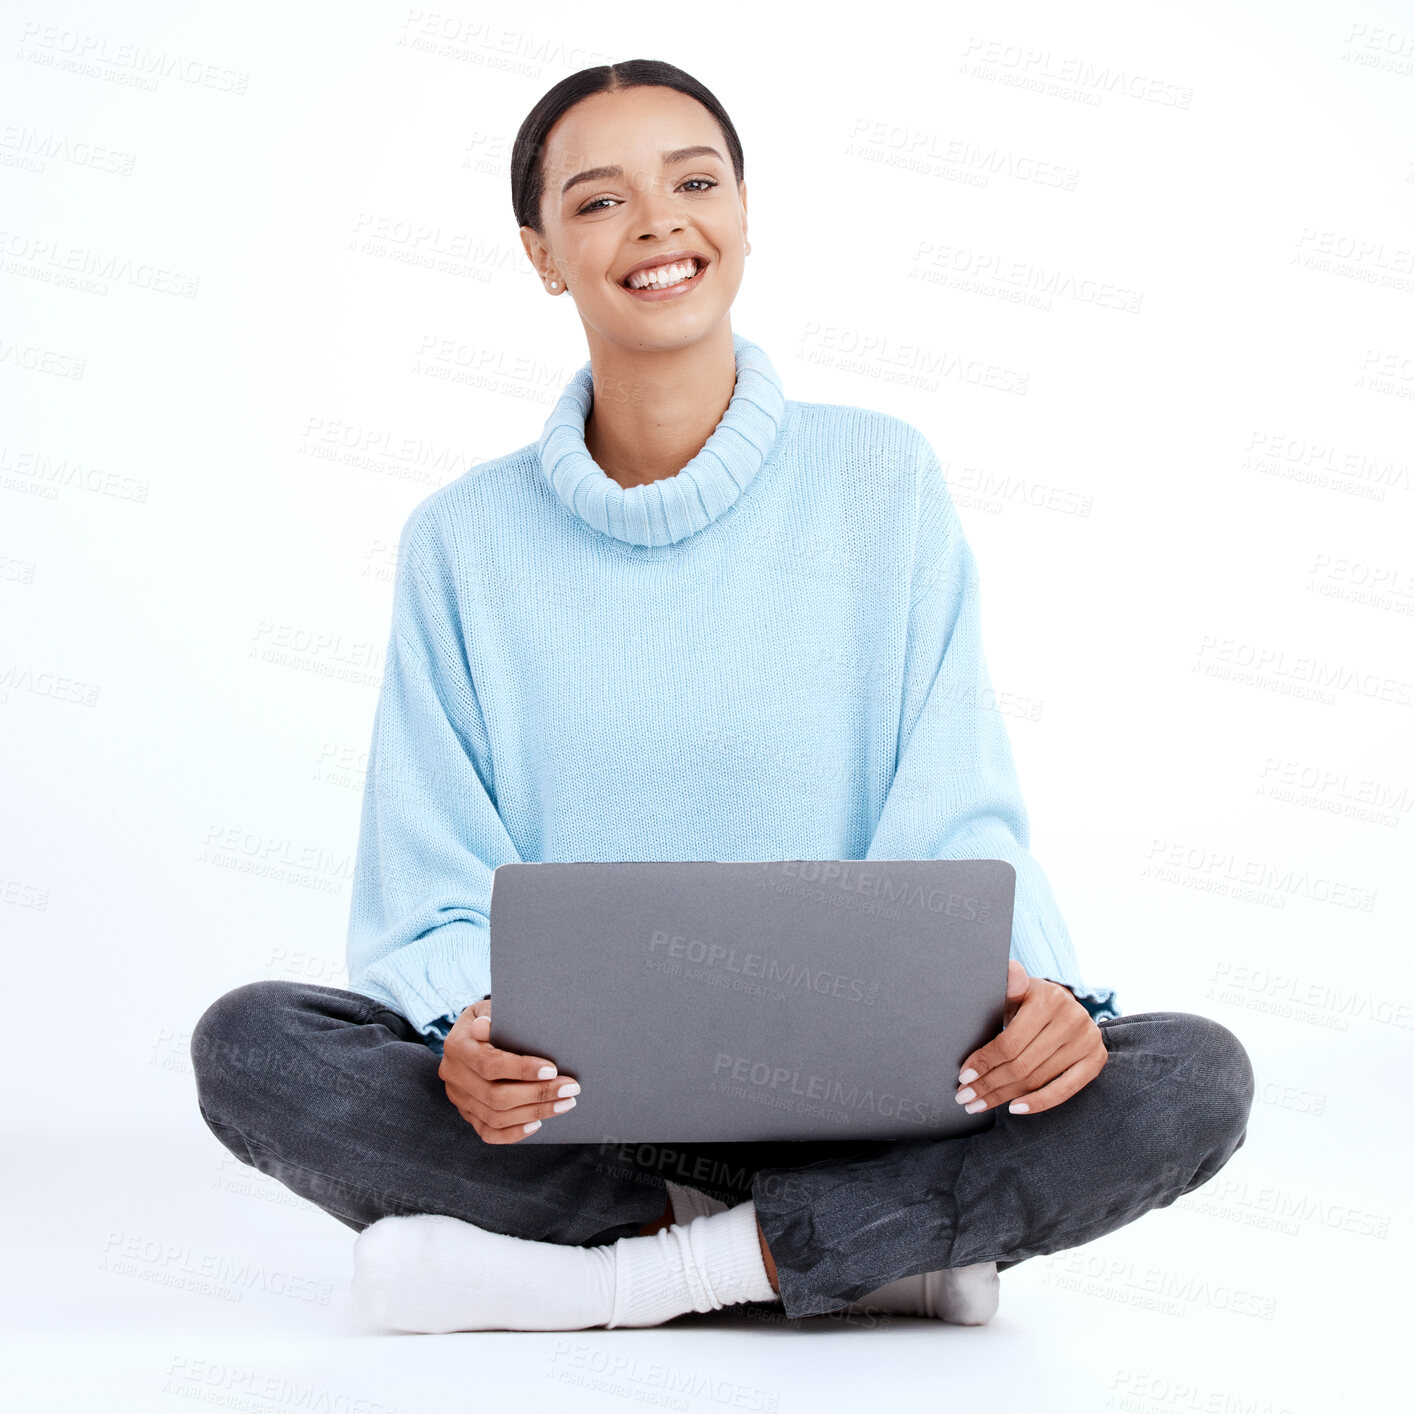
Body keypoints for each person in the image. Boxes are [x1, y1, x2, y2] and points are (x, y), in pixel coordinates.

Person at [190, 59, 1255, 1335]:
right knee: (255, 1043)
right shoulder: (461, 542)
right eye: (599, 202)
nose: (657, 224)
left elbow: (957, 810)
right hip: (581, 1119)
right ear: (540, 253)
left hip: (865, 1106)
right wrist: (469, 1032)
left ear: (744, 214)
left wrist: (1037, 1006)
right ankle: (858, 1252)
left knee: (1188, 1077)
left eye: (694, 182)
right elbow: (427, 880)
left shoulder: (882, 481)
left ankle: (634, 1277)